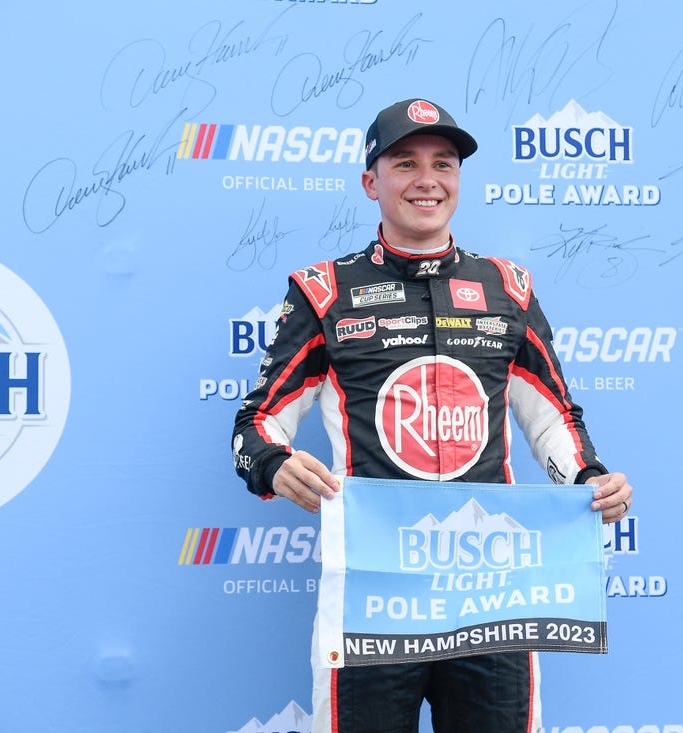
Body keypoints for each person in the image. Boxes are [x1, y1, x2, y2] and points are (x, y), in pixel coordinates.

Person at [232, 97, 633, 733]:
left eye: (443, 164)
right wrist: (276, 465)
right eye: (405, 163)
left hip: (493, 592)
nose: (427, 180)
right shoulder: (323, 291)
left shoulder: (509, 288)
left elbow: (554, 417)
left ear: (459, 178)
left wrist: (587, 479)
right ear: (372, 182)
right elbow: (255, 426)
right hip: (373, 594)